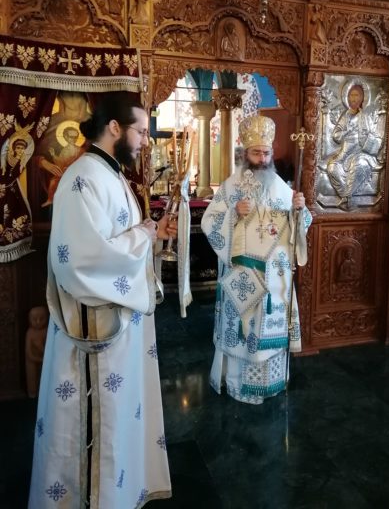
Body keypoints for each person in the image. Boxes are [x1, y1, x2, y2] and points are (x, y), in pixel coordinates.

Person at [28, 92, 175, 508]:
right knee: (99, 425)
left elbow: (118, 241)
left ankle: (120, 493)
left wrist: (152, 237)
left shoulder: (110, 174)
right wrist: (144, 234)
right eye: (140, 132)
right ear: (114, 128)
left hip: (118, 332)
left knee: (120, 420)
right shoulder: (83, 178)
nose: (145, 141)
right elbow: (83, 259)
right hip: (95, 338)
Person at [201, 114, 312, 404]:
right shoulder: (231, 186)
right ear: (245, 153)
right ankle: (237, 385)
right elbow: (209, 222)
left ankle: (272, 384)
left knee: (268, 333)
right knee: (243, 331)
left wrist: (299, 210)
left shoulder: (280, 186)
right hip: (243, 277)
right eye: (256, 153)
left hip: (275, 280)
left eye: (266, 153)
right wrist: (232, 214)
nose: (262, 159)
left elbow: (300, 224)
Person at [326, 83, 384, 209]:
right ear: (347, 98)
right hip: (345, 153)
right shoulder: (345, 116)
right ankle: (347, 197)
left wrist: (368, 139)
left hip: (362, 153)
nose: (353, 98)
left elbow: (377, 137)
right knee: (331, 167)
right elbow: (336, 136)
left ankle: (346, 197)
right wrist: (346, 132)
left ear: (362, 98)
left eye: (356, 95)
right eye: (351, 95)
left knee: (360, 164)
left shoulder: (366, 117)